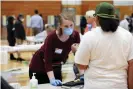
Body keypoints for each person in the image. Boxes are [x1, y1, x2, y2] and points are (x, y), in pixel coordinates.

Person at [74, 2, 133, 89]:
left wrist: (77, 50)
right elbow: (131, 65)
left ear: (97, 18)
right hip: (119, 85)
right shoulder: (127, 36)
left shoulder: (89, 36)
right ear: (114, 17)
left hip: (94, 86)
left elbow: (81, 65)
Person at [29, 13, 80, 86]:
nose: (69, 28)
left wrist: (81, 75)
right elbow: (48, 60)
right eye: (66, 26)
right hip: (39, 66)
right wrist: (52, 79)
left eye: (71, 25)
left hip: (56, 66)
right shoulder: (51, 37)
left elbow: (79, 56)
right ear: (60, 25)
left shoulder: (75, 35)